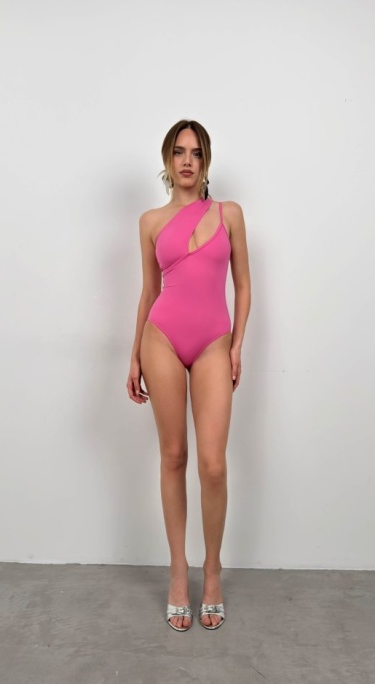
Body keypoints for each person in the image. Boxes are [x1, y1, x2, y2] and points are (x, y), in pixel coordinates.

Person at [126, 119, 251, 631]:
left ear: (206, 161)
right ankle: (178, 572)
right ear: (167, 159)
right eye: (178, 152)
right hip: (161, 338)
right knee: (173, 456)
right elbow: (149, 292)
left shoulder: (229, 214)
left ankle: (212, 569)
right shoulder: (150, 221)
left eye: (196, 153)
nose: (186, 161)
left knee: (213, 465)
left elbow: (243, 285)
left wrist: (237, 344)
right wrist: (134, 355)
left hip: (214, 341)